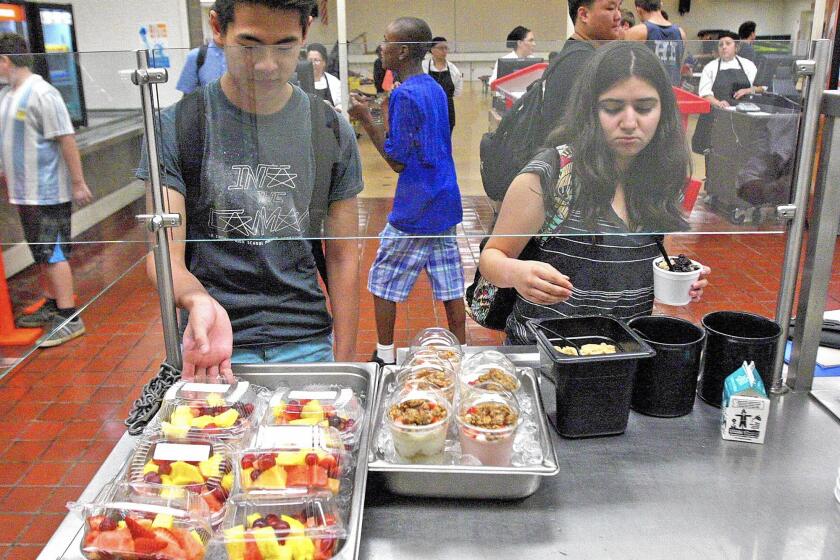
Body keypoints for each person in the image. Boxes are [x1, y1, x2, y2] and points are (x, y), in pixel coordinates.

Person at [137, 0, 363, 382]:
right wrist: (197, 300)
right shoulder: (177, 126)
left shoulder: (328, 128)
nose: (267, 65)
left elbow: (342, 257)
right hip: (213, 343)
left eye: (285, 45)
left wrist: (344, 365)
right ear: (218, 29)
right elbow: (162, 256)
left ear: (306, 33)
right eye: (250, 44)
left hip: (305, 339)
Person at [479, 42, 711, 344]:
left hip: (625, 354)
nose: (629, 123)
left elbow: (655, 260)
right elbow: (492, 257)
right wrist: (516, 273)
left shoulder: (663, 178)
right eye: (612, 108)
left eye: (644, 108)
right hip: (545, 355)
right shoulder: (551, 173)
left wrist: (681, 274)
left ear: (663, 111)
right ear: (590, 109)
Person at [348, 17, 465, 365]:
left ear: (401, 51)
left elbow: (397, 161)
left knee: (382, 281)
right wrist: (381, 112)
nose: (380, 48)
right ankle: (460, 353)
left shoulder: (403, 94)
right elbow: (421, 140)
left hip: (416, 207)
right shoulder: (433, 88)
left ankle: (384, 354)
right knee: (449, 284)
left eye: (385, 42)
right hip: (445, 198)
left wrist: (364, 118)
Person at [0, 32, 93, 346]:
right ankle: (53, 304)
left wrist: (78, 182)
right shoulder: (9, 95)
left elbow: (65, 138)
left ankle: (70, 316)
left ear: (5, 60)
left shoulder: (42, 93)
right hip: (25, 192)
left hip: (47, 191)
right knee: (41, 253)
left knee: (53, 253)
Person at [541, 0, 623, 145]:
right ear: (584, 15)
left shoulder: (573, 53)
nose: (618, 16)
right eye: (610, 8)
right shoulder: (584, 63)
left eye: (619, 8)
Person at [692, 31, 763, 154]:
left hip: (742, 119)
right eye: (721, 45)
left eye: (728, 43)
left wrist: (748, 90)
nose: (724, 47)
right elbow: (704, 94)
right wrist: (718, 103)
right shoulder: (710, 67)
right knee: (715, 156)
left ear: (737, 47)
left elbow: (761, 87)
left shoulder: (748, 65)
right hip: (717, 118)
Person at [625, 0, 686, 86]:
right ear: (661, 5)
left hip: (645, 93)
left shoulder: (637, 32)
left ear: (638, 10)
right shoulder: (681, 33)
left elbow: (626, 69)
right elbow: (678, 69)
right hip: (671, 92)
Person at [422, 36, 463, 134]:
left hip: (447, 108)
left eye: (446, 48)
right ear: (432, 50)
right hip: (427, 106)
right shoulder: (422, 66)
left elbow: (457, 92)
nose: (444, 51)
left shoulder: (454, 70)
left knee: (446, 138)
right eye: (441, 48)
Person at [306, 42, 342, 110]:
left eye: (316, 60)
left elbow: (341, 104)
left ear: (324, 62)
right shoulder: (300, 80)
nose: (313, 64)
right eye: (310, 60)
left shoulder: (334, 82)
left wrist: (335, 109)